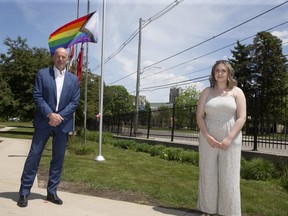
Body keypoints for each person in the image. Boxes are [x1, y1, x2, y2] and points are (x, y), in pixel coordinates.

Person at [17, 47, 80, 207]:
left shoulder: (73, 79)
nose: (61, 59)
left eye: (64, 57)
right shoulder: (42, 74)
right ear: (53, 57)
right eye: (58, 56)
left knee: (58, 159)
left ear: (67, 59)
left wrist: (59, 116)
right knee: (34, 156)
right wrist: (50, 114)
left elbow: (74, 102)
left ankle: (52, 192)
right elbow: (37, 96)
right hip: (44, 122)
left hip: (63, 124)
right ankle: (24, 192)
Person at [196, 60, 246, 216]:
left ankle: (229, 212)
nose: (220, 73)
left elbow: (242, 117)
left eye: (223, 70)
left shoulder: (237, 92)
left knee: (229, 175)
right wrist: (207, 136)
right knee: (207, 173)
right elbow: (199, 116)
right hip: (208, 137)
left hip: (231, 137)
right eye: (217, 70)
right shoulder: (206, 92)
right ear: (213, 73)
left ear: (228, 73)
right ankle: (207, 210)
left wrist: (229, 138)